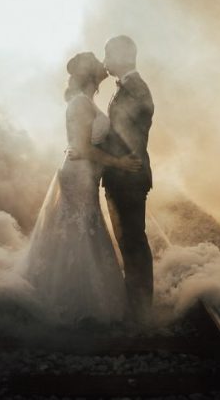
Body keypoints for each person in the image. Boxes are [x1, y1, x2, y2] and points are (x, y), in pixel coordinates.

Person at [19, 52, 142, 325]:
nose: (103, 64)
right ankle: (71, 299)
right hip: (78, 175)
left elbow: (83, 143)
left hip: (85, 173)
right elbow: (84, 147)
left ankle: (83, 295)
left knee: (85, 229)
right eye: (98, 62)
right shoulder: (79, 104)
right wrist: (119, 163)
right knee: (79, 230)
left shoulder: (87, 102)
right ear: (89, 73)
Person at [98, 35, 154, 321]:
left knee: (133, 242)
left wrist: (99, 154)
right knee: (129, 241)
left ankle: (141, 309)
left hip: (128, 177)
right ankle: (137, 303)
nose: (105, 60)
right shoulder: (126, 88)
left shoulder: (135, 89)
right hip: (122, 176)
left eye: (107, 54)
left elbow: (129, 136)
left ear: (121, 56)